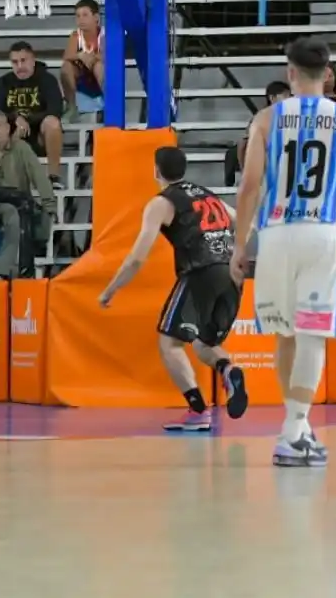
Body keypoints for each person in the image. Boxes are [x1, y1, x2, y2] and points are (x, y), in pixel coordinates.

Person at [231, 37, 336, 468]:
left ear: (290, 73)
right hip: (322, 232)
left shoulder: (266, 119)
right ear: (330, 75)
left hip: (277, 231)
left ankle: (296, 428)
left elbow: (248, 187)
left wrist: (238, 242)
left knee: (284, 334)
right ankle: (293, 429)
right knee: (312, 335)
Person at [99, 146, 249, 432]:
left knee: (169, 343)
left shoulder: (161, 202)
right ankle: (229, 371)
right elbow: (245, 223)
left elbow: (136, 258)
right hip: (232, 273)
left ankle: (197, 410)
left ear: (156, 171)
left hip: (200, 272)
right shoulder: (206, 194)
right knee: (205, 343)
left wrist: (110, 290)